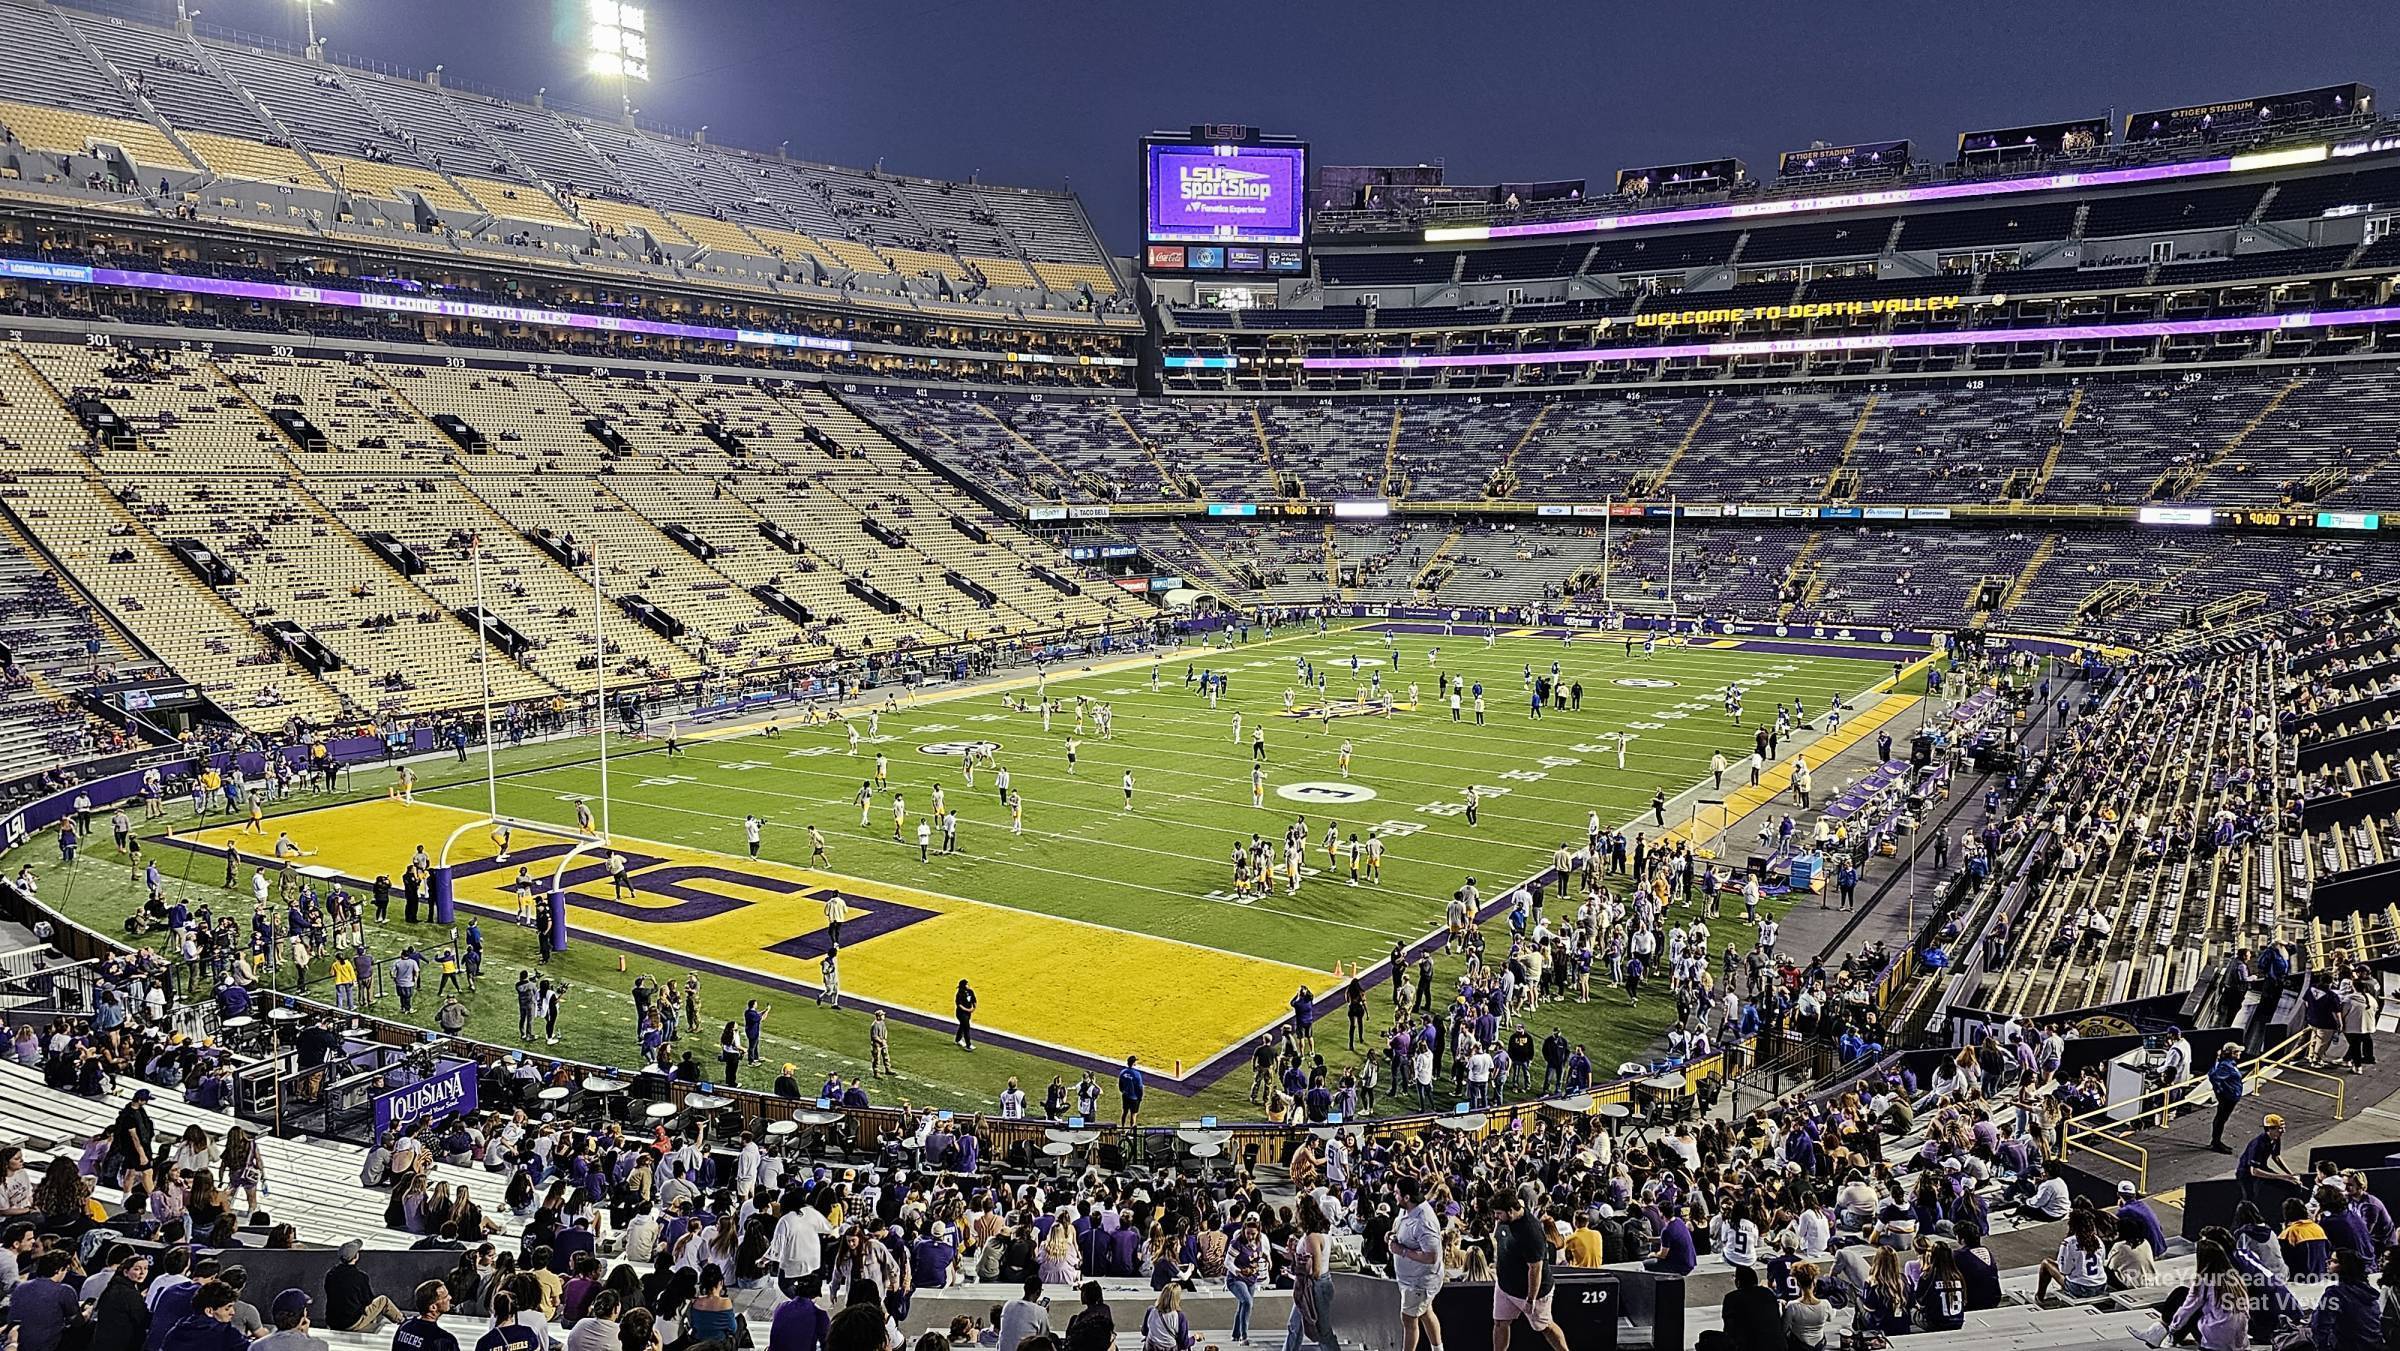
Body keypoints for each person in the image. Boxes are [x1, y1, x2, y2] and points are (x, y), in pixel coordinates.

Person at [1490, 1188, 1568, 1351]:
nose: (1496, 1217)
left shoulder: (1531, 1232)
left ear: (1510, 1211)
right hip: (1505, 1286)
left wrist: (1531, 1299)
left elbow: (1535, 1269)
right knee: (1500, 1323)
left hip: (1532, 1293)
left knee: (1545, 1327)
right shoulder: (1507, 1218)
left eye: (1498, 1213)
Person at [1389, 1176, 1444, 1351]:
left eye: (1397, 1193)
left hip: (1420, 1281)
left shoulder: (1424, 1222)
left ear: (1407, 1197)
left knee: (1408, 1319)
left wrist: (1402, 1251)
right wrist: (1392, 1235)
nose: (1394, 1195)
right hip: (1409, 1278)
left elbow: (1431, 1256)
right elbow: (1401, 1228)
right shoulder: (1407, 1209)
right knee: (1426, 1311)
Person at [1718, 1264, 1782, 1351]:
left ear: (1738, 1282)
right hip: (1777, 1345)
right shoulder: (1768, 1293)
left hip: (1749, 1346)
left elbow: (1729, 1328)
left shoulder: (1732, 1298)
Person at [994, 1279, 1048, 1351]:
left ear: (1024, 1288)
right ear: (1038, 1292)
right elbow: (1044, 1338)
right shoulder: (1040, 1311)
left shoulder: (1008, 1304)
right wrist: (1044, 1313)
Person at [1063, 1283, 1112, 1351]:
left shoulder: (1083, 1316)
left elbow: (1073, 1335)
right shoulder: (1105, 1309)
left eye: (1082, 1292)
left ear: (1085, 1295)